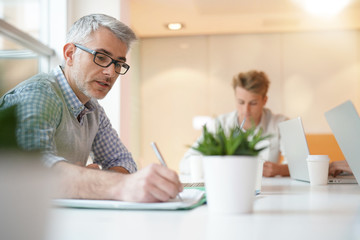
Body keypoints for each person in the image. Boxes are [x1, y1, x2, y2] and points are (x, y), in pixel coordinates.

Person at [0, 14, 182, 202]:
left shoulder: (92, 109)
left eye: (118, 63)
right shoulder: (38, 94)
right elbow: (34, 171)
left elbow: (123, 161)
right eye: (101, 57)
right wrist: (112, 184)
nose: (110, 72)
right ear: (70, 54)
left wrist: (85, 181)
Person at [180, 70, 289, 177]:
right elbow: (185, 164)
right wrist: (219, 165)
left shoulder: (281, 123)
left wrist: (279, 170)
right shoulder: (219, 124)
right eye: (241, 102)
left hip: (268, 191)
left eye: (253, 103)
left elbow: (301, 167)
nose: (246, 110)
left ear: (264, 100)